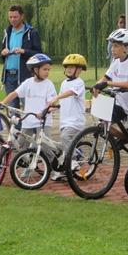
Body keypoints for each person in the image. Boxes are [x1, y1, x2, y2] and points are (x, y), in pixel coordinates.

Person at [93, 28, 128, 160]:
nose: (112, 49)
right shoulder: (115, 62)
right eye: (112, 45)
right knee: (103, 121)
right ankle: (125, 137)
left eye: (116, 46)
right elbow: (106, 77)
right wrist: (97, 85)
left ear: (126, 47)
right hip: (122, 104)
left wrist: (108, 84)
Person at [47, 53, 87, 181]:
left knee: (65, 138)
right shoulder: (64, 83)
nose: (69, 69)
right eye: (67, 67)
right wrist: (52, 107)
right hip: (64, 121)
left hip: (75, 121)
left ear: (79, 70)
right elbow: (62, 100)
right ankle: (64, 169)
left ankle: (74, 159)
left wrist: (57, 97)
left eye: (72, 67)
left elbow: (70, 93)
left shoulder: (79, 82)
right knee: (60, 146)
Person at [0, 53, 56, 140]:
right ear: (35, 69)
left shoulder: (49, 84)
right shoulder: (28, 83)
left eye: (48, 69)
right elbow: (14, 93)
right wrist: (3, 103)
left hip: (43, 122)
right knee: (22, 146)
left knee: (44, 147)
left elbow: (52, 103)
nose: (47, 72)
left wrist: (44, 112)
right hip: (28, 122)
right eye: (45, 69)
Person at [0, 5, 42, 108]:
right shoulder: (7, 32)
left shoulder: (31, 32)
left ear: (22, 16)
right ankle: (15, 125)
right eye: (10, 17)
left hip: (24, 75)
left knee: (28, 106)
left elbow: (39, 54)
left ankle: (30, 124)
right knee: (12, 109)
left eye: (15, 17)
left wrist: (24, 51)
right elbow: (2, 55)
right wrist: (3, 53)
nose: (12, 20)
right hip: (9, 76)